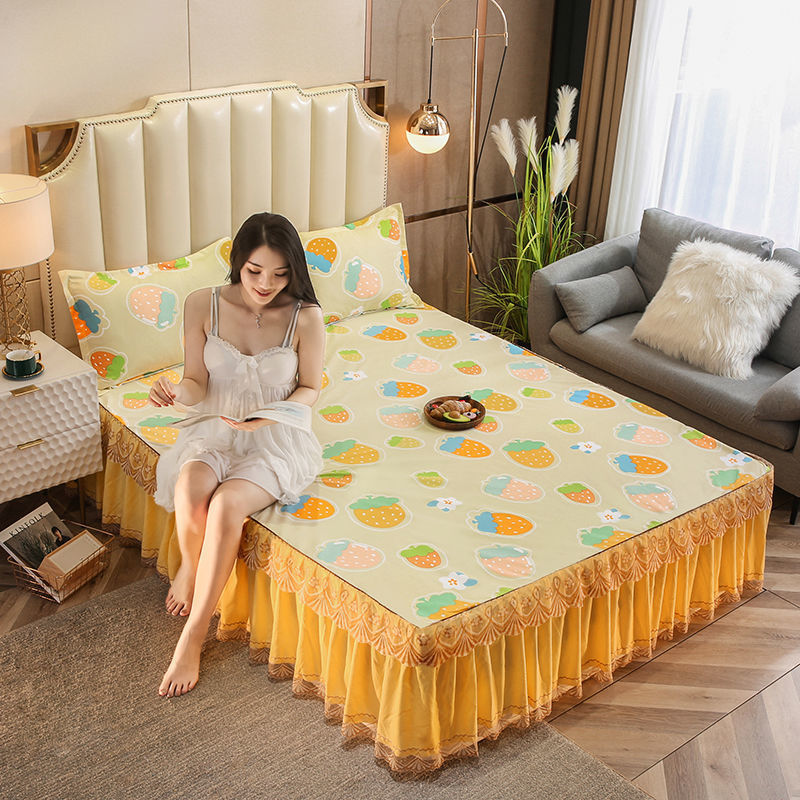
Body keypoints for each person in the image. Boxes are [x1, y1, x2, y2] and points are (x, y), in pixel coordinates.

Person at [149, 212, 325, 698]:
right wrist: (175, 394)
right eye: (254, 271)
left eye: (280, 274)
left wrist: (271, 416)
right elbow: (195, 381)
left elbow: (310, 388)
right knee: (191, 490)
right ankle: (191, 565)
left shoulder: (305, 317)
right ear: (237, 262)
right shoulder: (201, 304)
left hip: (274, 438)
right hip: (213, 426)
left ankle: (193, 636)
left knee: (226, 505)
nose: (266, 284)